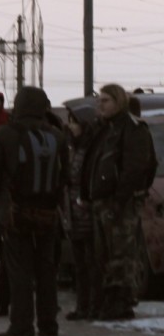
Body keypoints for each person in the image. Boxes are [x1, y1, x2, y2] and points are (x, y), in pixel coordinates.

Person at [0, 86, 67, 336]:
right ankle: (49, 323)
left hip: (15, 213)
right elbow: (64, 175)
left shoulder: (5, 134)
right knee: (46, 268)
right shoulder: (56, 136)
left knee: (19, 270)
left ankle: (22, 325)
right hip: (48, 213)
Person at [89, 84, 155, 320]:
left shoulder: (132, 129)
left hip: (120, 203)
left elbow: (137, 168)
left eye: (106, 100)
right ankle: (108, 301)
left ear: (119, 101)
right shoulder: (105, 129)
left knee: (122, 255)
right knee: (105, 254)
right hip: (102, 202)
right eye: (100, 100)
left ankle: (121, 302)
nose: (101, 105)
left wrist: (121, 199)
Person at [62, 99, 105, 320]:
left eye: (75, 122)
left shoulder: (90, 150)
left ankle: (93, 306)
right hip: (73, 213)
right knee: (80, 264)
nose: (71, 126)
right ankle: (83, 305)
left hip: (87, 212)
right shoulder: (72, 148)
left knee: (92, 263)